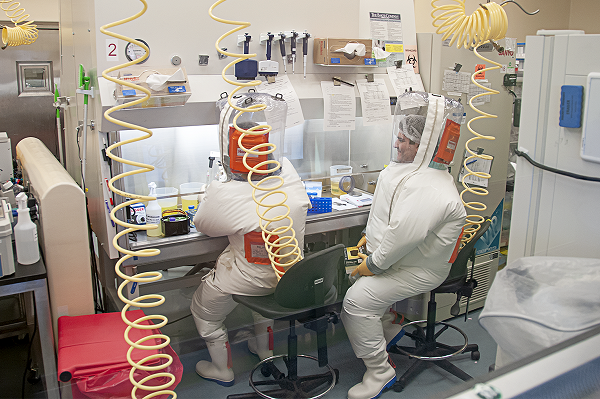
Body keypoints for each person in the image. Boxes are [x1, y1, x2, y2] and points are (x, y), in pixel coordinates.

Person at [341, 95, 467, 399]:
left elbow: (400, 238)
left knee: (356, 301)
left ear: (422, 147)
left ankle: (380, 371)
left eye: (404, 140)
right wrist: (369, 237)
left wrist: (368, 266)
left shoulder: (431, 188)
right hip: (401, 258)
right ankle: (392, 328)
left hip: (420, 268)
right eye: (398, 137)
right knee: (366, 289)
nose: (397, 144)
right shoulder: (407, 171)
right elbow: (387, 212)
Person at [190, 123, 310, 386]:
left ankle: (222, 370)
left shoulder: (230, 193)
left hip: (247, 281)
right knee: (264, 301)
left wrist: (213, 193)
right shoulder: (288, 174)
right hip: (288, 278)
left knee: (204, 312)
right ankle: (264, 350)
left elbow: (203, 224)